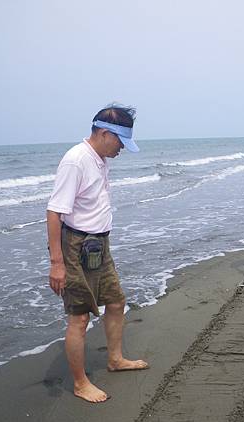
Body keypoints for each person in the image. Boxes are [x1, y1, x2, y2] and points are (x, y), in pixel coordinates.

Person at [47, 104, 148, 403]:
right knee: (79, 318)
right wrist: (57, 263)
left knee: (116, 301)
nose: (121, 149)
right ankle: (80, 383)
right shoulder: (76, 161)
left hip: (99, 245)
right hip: (77, 247)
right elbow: (54, 213)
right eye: (120, 142)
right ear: (105, 134)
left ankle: (115, 360)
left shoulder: (100, 158)